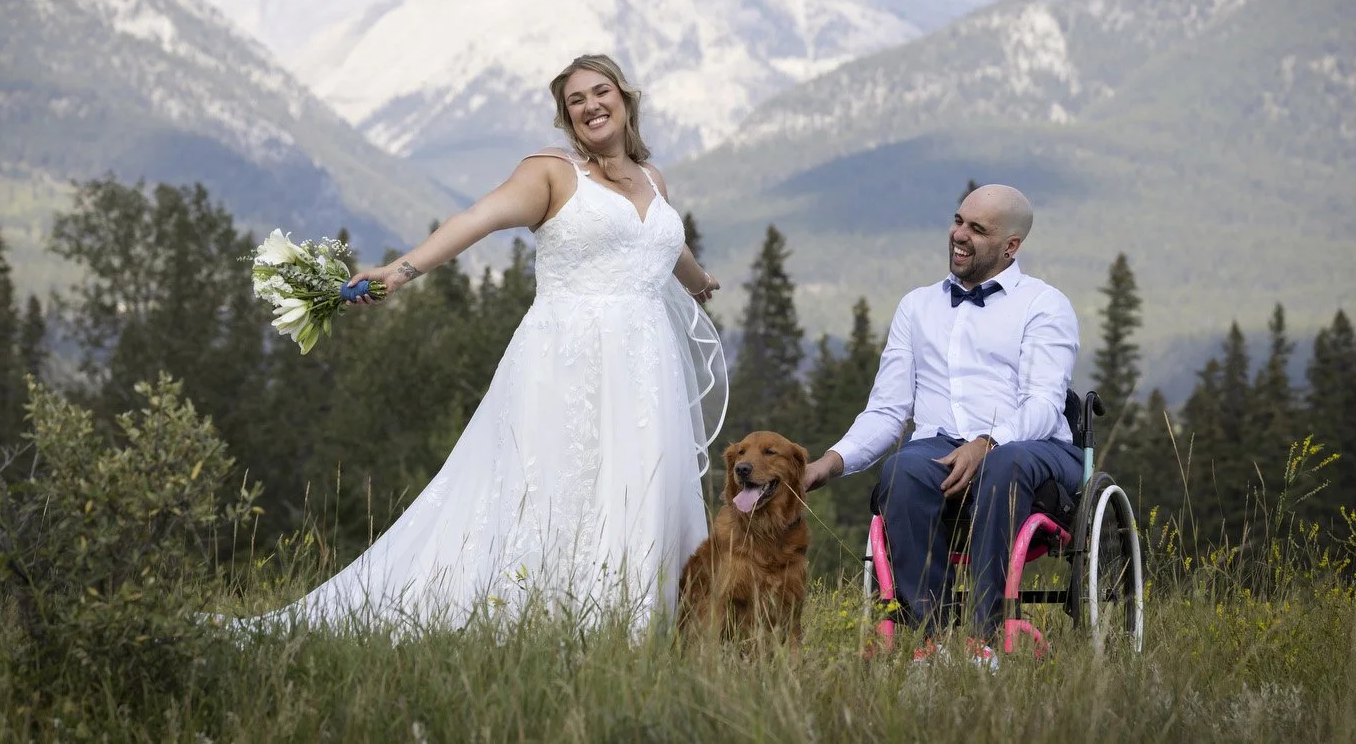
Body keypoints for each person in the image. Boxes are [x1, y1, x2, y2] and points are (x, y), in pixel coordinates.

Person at [247, 54, 728, 633]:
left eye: (601, 92)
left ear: (626, 100)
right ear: (566, 118)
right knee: (557, 487)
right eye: (576, 100)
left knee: (640, 484)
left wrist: (699, 282)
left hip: (647, 366)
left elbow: (660, 242)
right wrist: (400, 273)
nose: (591, 105)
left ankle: (640, 621)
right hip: (567, 358)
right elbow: (478, 218)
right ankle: (551, 620)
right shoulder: (552, 173)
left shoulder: (654, 181)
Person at [802, 184, 1079, 652]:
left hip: (1033, 452)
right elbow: (888, 411)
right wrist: (828, 464)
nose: (959, 235)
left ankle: (986, 635)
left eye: (977, 228)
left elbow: (1043, 405)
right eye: (957, 221)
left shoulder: (1044, 305)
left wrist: (988, 442)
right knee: (904, 468)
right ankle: (931, 637)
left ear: (1011, 246)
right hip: (940, 448)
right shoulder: (917, 307)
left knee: (1002, 464)